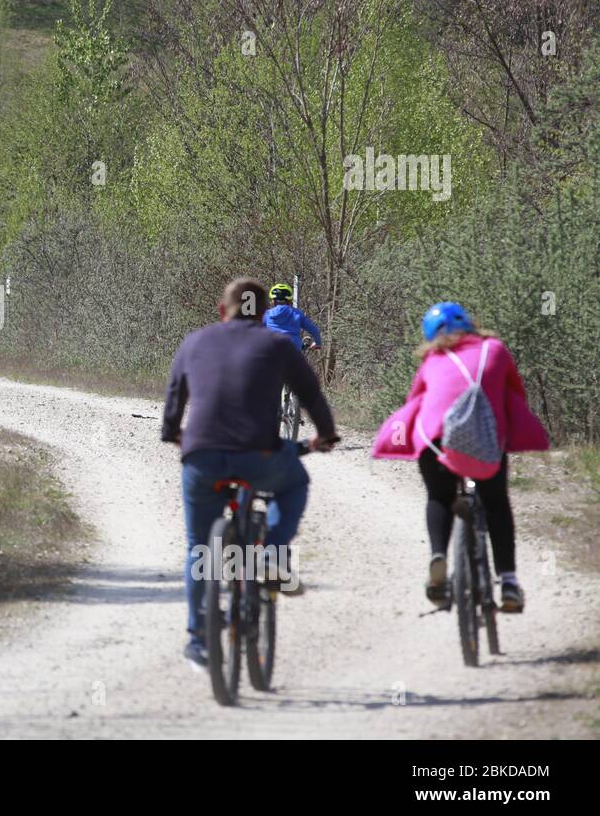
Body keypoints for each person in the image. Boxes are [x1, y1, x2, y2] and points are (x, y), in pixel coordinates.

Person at [162, 278, 337, 671]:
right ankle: (272, 553)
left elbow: (175, 393)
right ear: (262, 315)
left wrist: (174, 433)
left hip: (202, 457)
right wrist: (325, 433)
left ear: (221, 311)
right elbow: (309, 394)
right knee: (294, 482)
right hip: (259, 455)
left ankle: (199, 638)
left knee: (198, 547)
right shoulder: (276, 344)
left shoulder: (196, 341)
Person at [371, 302, 548, 613]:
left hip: (435, 441)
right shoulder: (494, 349)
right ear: (469, 324)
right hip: (484, 440)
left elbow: (415, 401)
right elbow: (515, 395)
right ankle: (508, 581)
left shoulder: (432, 359)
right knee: (495, 503)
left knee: (439, 498)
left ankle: (438, 555)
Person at [263, 282, 322, 350]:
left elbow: (254, 331)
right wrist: (317, 343)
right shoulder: (297, 314)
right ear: (290, 300)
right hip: (293, 350)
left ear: (273, 301)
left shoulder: (266, 315)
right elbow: (314, 330)